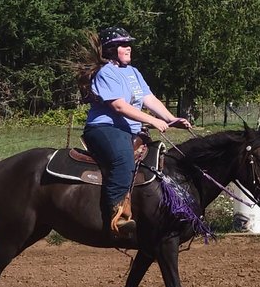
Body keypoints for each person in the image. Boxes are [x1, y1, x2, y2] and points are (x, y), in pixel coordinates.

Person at [77, 26, 190, 235]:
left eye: (129, 44)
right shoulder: (105, 73)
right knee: (123, 159)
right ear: (111, 49)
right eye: (123, 45)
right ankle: (118, 215)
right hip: (105, 128)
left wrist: (171, 118)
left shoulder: (133, 72)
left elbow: (149, 98)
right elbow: (119, 106)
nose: (129, 48)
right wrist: (153, 120)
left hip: (129, 130)